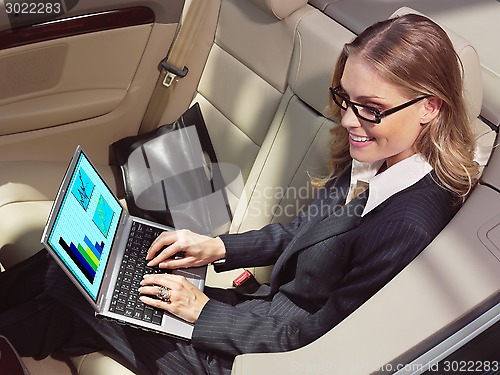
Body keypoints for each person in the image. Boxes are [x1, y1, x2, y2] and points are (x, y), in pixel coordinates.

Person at [0, 13, 479, 375]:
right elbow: (299, 231)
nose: (349, 120)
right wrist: (219, 247)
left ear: (430, 108)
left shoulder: (409, 226)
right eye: (345, 100)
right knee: (78, 269)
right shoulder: (379, 156)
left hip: (255, 357)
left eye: (371, 108)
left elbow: (317, 335)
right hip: (252, 315)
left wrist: (201, 311)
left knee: (82, 288)